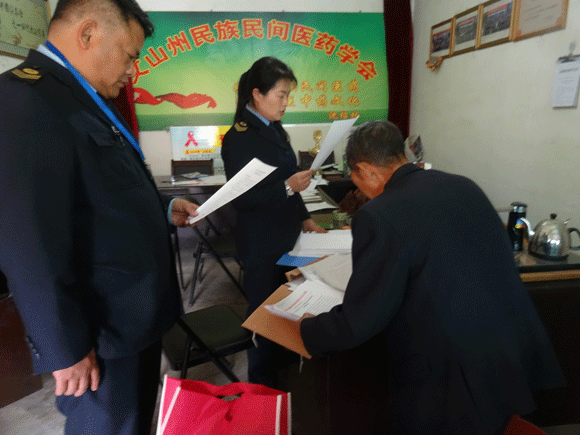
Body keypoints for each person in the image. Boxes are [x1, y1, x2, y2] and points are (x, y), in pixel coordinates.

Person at [0, 1, 198, 434]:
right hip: (99, 330)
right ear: (88, 33)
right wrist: (65, 348)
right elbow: (28, 242)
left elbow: (101, 194)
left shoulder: (79, 95)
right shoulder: (25, 99)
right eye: (129, 55)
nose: (132, 69)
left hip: (130, 318)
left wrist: (163, 210)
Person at [300, 120, 565, 434]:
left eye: (355, 180)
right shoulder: (463, 185)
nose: (359, 192)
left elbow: (363, 318)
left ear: (367, 170)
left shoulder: (379, 214)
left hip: (451, 374)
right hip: (508, 351)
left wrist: (308, 330)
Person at [221, 56, 327, 387]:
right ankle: (262, 385)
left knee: (288, 305)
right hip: (261, 242)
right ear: (257, 94)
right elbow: (242, 199)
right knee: (265, 313)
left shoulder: (275, 129)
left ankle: (286, 374)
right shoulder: (238, 137)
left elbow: (290, 180)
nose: (285, 103)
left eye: (287, 95)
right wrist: (287, 187)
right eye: (280, 95)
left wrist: (306, 219)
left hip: (289, 235)